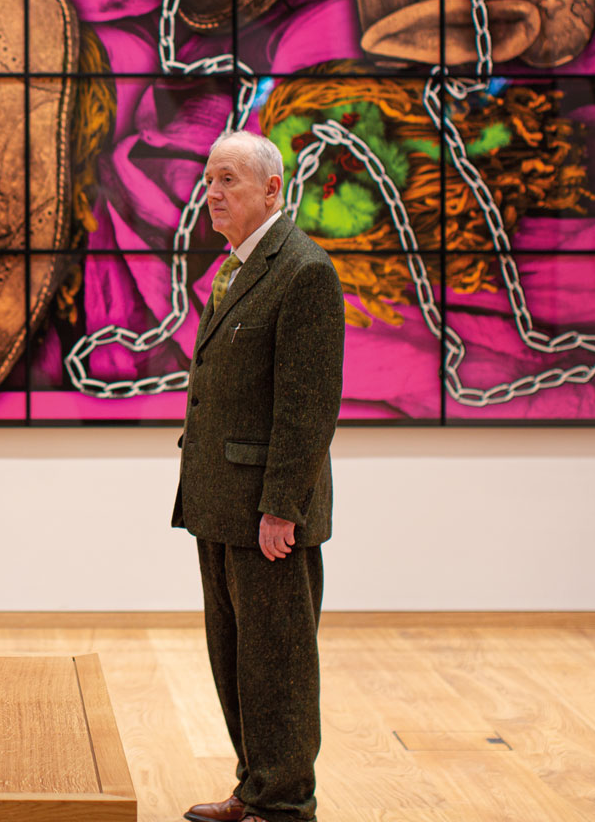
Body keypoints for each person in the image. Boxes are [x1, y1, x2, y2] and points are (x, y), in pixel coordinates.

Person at [175, 129, 345, 822]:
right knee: (237, 658)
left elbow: (307, 409)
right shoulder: (240, 266)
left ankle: (284, 802)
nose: (212, 194)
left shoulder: (303, 270)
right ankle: (255, 787)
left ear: (273, 190)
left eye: (229, 181)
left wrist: (283, 506)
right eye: (209, 180)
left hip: (265, 513)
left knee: (277, 661)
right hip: (220, 502)